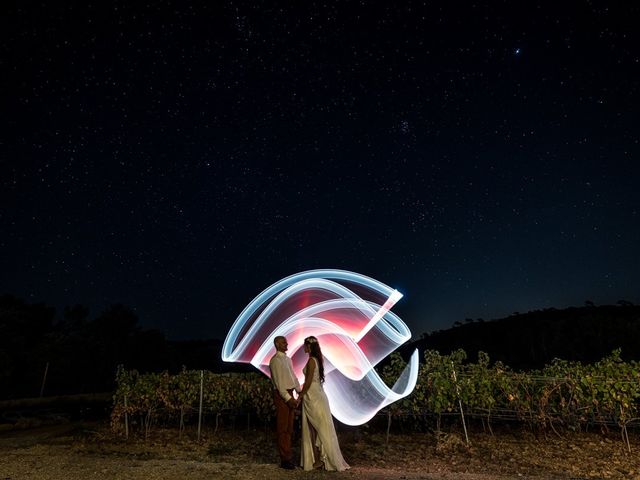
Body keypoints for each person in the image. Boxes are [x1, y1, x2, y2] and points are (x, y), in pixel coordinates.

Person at [297, 336, 350, 471]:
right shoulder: (318, 360)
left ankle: (322, 459)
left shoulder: (311, 361)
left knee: (316, 427)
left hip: (313, 395)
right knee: (319, 427)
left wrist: (300, 396)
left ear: (309, 347)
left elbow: (308, 381)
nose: (303, 348)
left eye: (304, 345)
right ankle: (320, 458)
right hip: (317, 394)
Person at [269, 335, 301, 470]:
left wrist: (299, 390)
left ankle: (288, 456)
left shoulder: (287, 359)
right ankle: (285, 459)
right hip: (282, 394)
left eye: (286, 342)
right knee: (283, 427)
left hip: (289, 393)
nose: (286, 344)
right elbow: (279, 383)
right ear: (277, 344)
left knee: (289, 427)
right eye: (283, 342)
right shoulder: (275, 361)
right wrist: (288, 399)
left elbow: (292, 376)